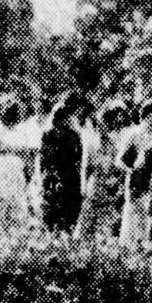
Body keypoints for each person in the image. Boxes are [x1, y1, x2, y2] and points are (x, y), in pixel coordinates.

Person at [77, 99, 129, 240]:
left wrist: (116, 182)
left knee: (107, 226)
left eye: (107, 125)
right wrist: (83, 187)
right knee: (87, 225)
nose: (104, 128)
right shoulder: (92, 143)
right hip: (94, 186)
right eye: (101, 125)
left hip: (110, 188)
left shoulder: (115, 144)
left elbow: (120, 167)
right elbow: (86, 167)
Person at [0, 99, 37, 226]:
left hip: (16, 169)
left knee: (16, 196)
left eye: (14, 112)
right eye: (8, 111)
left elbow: (27, 153)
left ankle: (15, 222)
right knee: (1, 195)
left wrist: (29, 171)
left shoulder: (21, 130)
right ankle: (1, 221)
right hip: (2, 167)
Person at [38, 92, 86, 234]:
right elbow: (43, 159)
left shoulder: (74, 135)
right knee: (52, 209)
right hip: (54, 176)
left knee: (69, 210)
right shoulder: (48, 135)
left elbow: (79, 157)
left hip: (70, 176)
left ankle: (65, 233)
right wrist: (44, 177)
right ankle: (53, 233)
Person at [117, 101, 152, 246]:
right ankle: (132, 246)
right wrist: (131, 168)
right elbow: (119, 160)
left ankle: (149, 246)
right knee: (134, 215)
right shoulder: (134, 134)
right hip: (137, 180)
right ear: (145, 116)